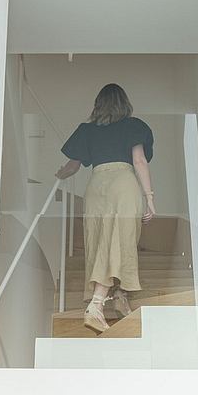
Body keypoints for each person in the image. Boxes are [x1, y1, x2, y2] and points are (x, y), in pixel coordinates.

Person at [57, 84, 155, 335]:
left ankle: (119, 296)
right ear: (125, 103)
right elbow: (139, 160)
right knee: (121, 239)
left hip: (96, 186)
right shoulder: (133, 126)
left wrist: (58, 175)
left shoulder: (87, 130)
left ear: (98, 104)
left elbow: (72, 166)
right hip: (123, 183)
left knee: (101, 240)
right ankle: (97, 304)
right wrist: (150, 198)